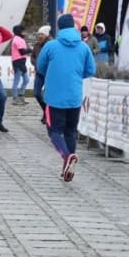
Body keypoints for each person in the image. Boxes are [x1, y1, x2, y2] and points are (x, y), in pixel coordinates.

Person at [37, 14, 96, 182]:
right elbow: (90, 70)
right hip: (74, 97)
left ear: (59, 27)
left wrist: (53, 73)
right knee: (70, 132)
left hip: (54, 97)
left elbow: (40, 66)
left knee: (54, 132)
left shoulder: (51, 46)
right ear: (74, 27)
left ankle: (66, 156)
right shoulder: (84, 47)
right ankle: (68, 167)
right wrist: (75, 75)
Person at [30, 25, 52, 123]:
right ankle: (45, 111)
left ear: (46, 35)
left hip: (49, 74)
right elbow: (32, 57)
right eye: (39, 34)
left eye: (41, 34)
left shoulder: (51, 45)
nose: (39, 36)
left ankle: (47, 115)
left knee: (48, 96)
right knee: (37, 94)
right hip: (39, 73)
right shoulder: (37, 45)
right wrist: (36, 63)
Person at [10, 24, 31, 105]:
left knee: (26, 80)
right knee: (17, 80)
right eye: (23, 30)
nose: (25, 32)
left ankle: (20, 96)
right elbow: (22, 52)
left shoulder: (20, 39)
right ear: (19, 31)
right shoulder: (17, 39)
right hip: (18, 62)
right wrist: (31, 50)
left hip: (21, 62)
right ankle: (15, 98)